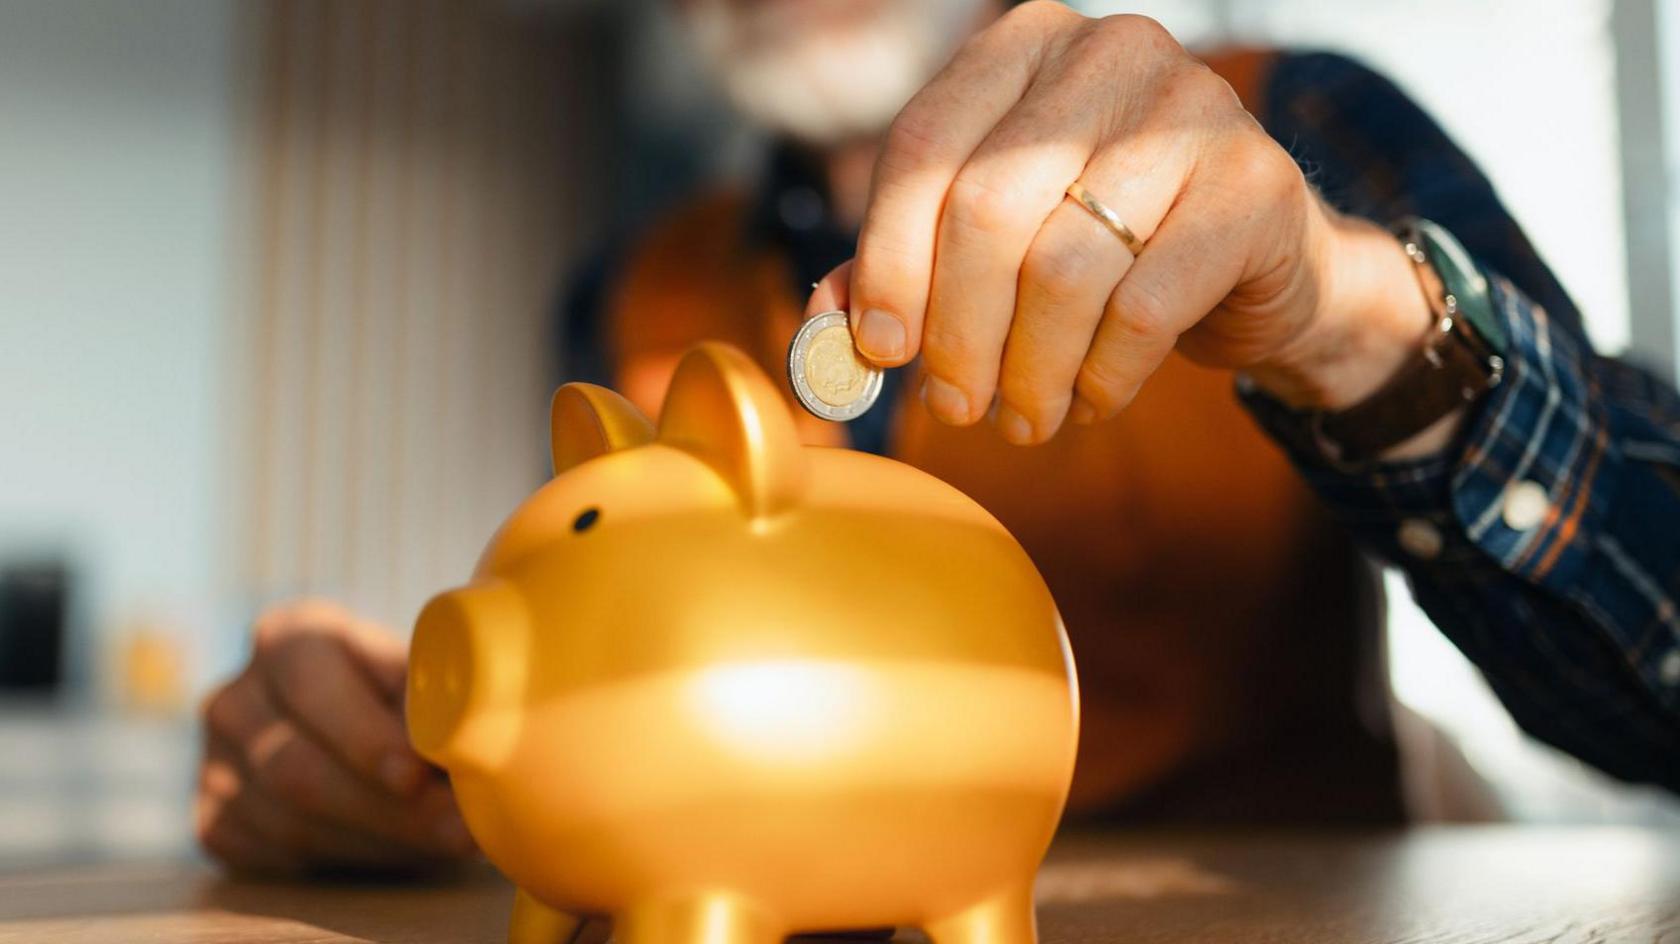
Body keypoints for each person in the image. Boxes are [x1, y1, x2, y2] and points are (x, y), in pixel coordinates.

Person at [197, 0, 1680, 873]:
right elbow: (621, 710)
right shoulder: (635, 284)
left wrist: (1351, 318)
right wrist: (424, 771)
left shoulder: (1301, 126)